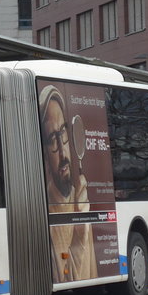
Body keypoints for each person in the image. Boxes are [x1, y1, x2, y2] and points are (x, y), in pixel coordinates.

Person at [39, 85, 96, 282]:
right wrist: (80, 234)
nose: (63, 153)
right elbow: (64, 279)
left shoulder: (80, 197)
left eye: (62, 133)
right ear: (44, 154)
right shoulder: (46, 212)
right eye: (52, 140)